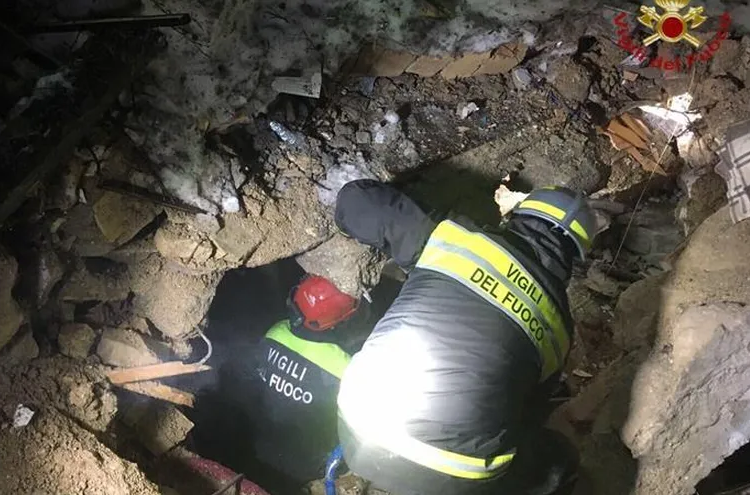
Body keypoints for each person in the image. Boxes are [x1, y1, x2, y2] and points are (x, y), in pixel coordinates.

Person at [334, 180, 597, 495]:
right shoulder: (561, 328)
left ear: (517, 217)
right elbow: (528, 415)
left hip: (357, 428)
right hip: (449, 475)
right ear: (572, 255)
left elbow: (357, 200)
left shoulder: (454, 240)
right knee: (556, 458)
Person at [247, 274, 369, 493]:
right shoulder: (343, 367)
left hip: (262, 445)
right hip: (310, 465)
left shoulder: (276, 332)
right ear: (341, 321)